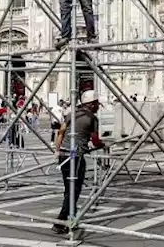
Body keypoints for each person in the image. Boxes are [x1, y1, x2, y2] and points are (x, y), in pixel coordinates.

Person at [53, 89, 106, 235]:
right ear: (91, 104)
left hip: (64, 154)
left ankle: (71, 216)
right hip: (75, 157)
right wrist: (102, 145)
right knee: (74, 189)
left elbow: (61, 132)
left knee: (68, 188)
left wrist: (57, 150)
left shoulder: (71, 114)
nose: (98, 107)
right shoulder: (92, 119)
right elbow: (95, 140)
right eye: (96, 104)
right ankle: (61, 221)